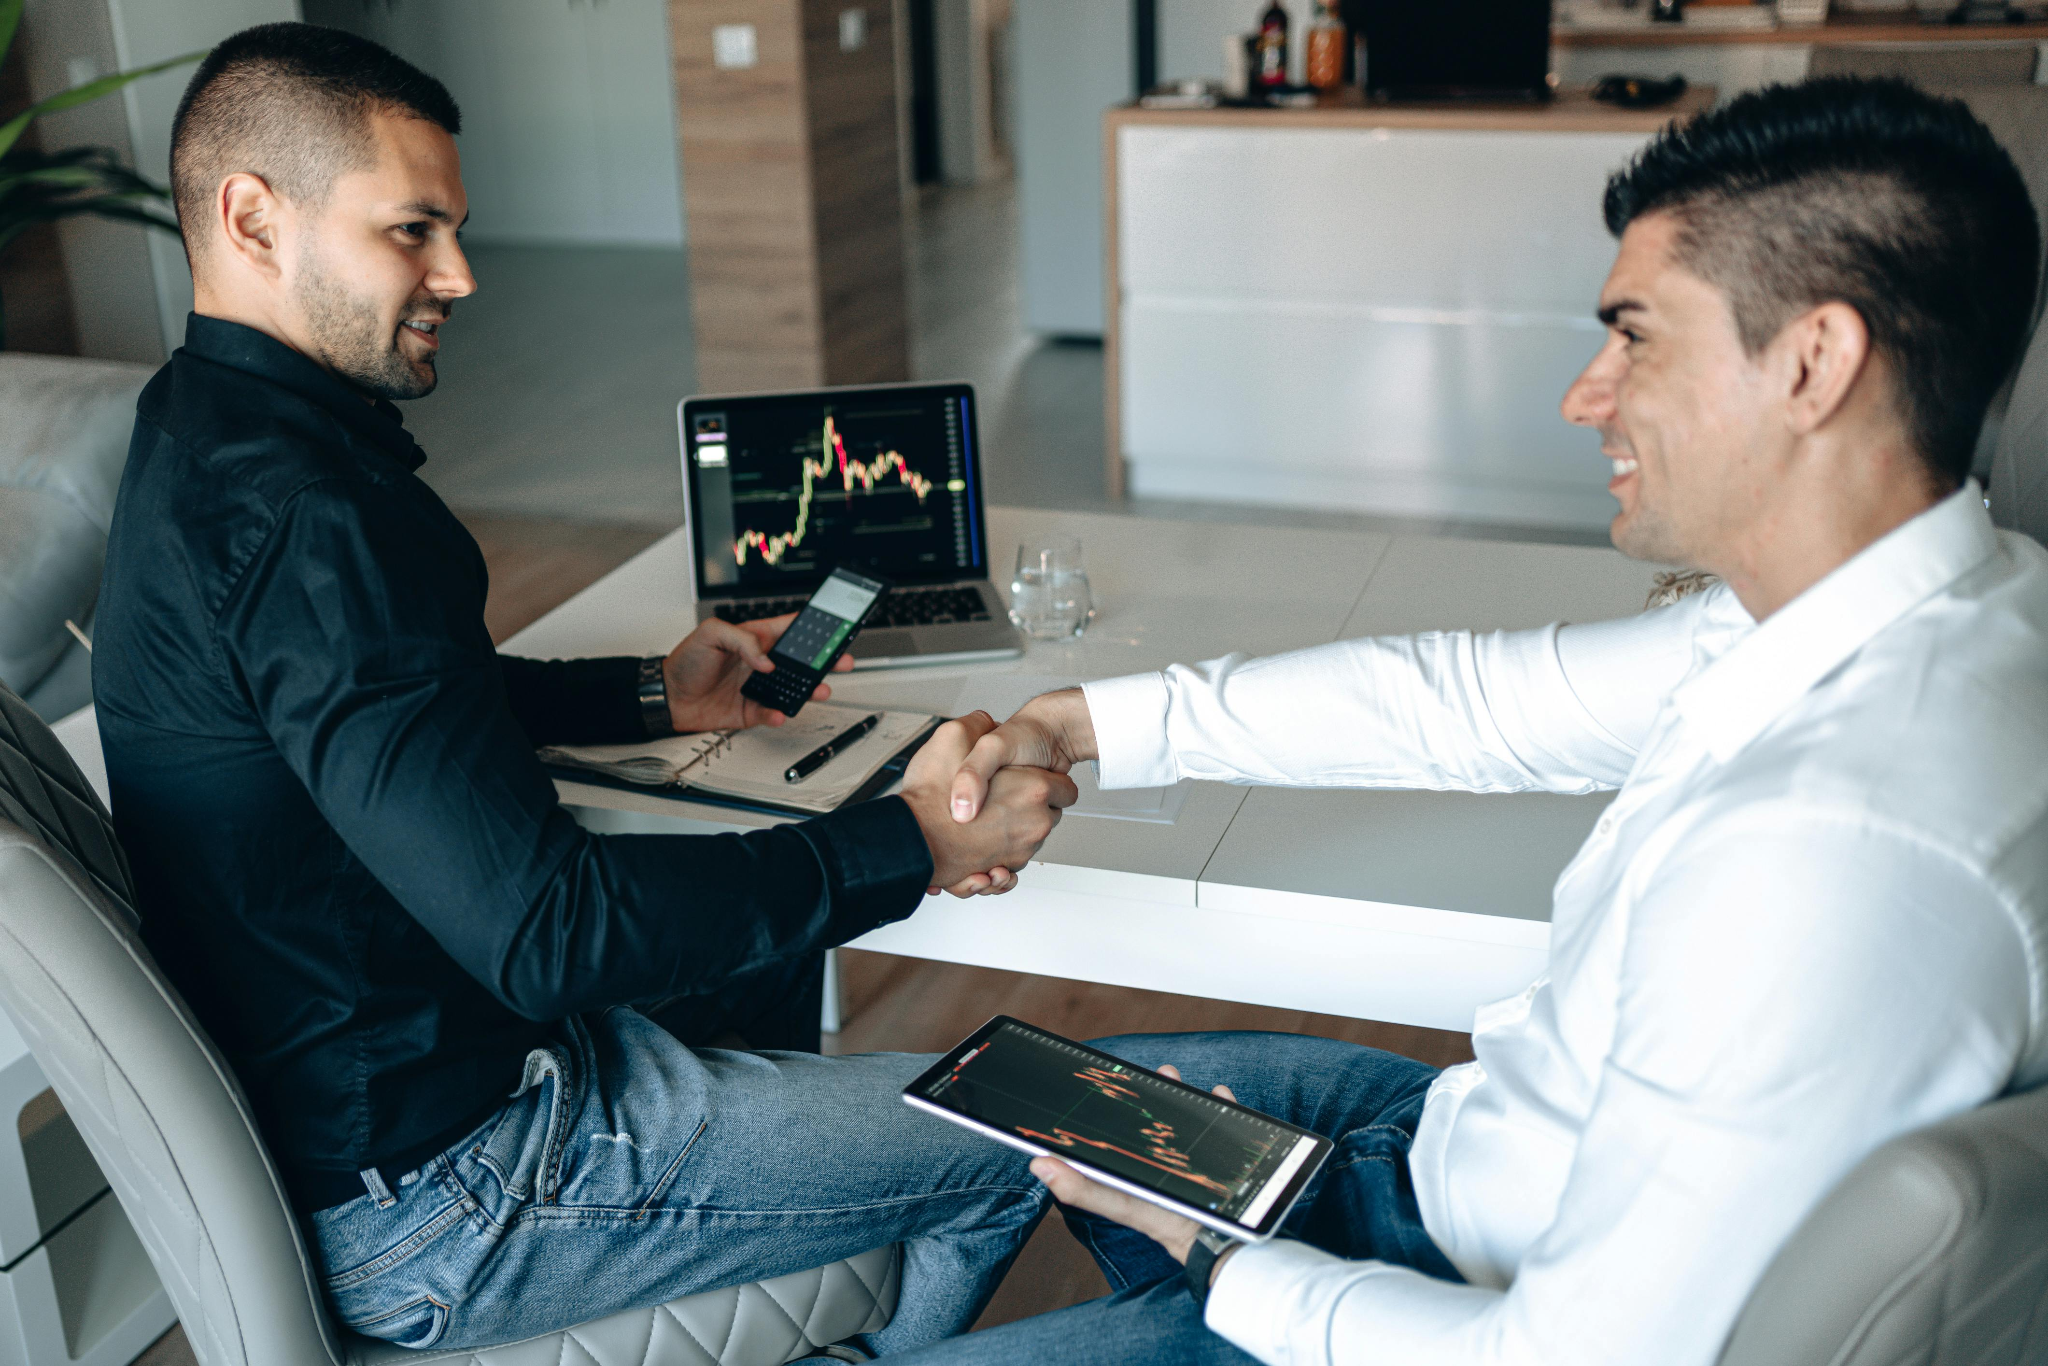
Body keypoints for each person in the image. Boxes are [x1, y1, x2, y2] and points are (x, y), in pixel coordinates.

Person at [905, 77, 2048, 1364]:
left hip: (1443, 1287)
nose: (1585, 394)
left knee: (1020, 1168)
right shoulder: (1944, 601)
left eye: (1634, 338)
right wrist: (1086, 721)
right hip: (1462, 1150)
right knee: (1011, 1110)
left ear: (1811, 361)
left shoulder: (1831, 854)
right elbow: (1464, 703)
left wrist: (1221, 1260)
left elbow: (1570, 1355)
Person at [92, 23, 1069, 1355]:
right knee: (1035, 1139)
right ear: (254, 218)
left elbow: (379, 695)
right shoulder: (313, 512)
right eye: (412, 231)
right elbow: (551, 937)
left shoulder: (199, 430)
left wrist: (651, 695)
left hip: (373, 1105)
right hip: (455, 1189)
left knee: (772, 944)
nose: (462, 273)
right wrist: (926, 838)